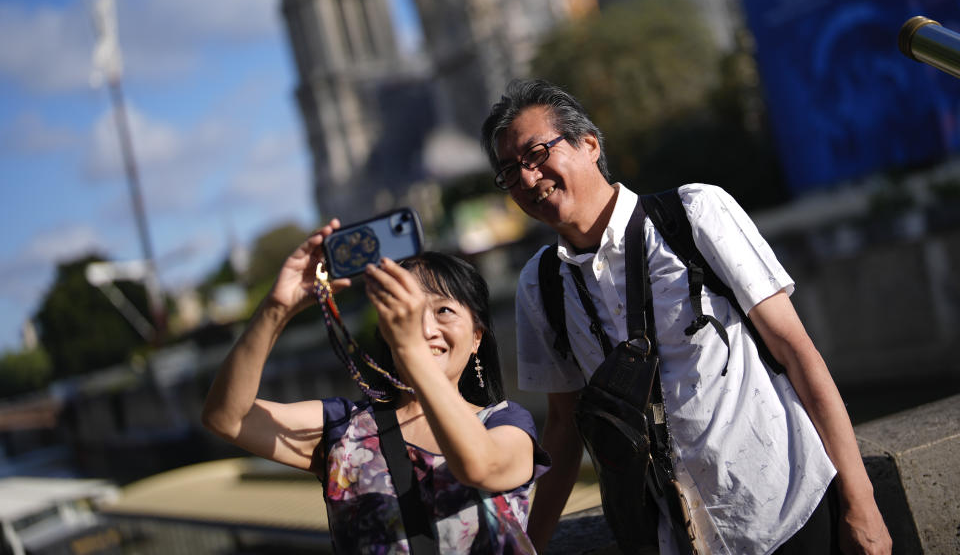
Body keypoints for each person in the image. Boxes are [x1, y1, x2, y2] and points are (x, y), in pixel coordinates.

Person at [480, 79, 892, 555]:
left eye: (537, 154)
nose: (529, 179)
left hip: (789, 511)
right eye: (510, 171)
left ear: (589, 145)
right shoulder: (541, 284)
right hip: (681, 539)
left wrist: (861, 501)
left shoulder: (694, 213)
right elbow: (563, 426)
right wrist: (526, 545)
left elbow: (796, 352)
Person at [202, 221, 549, 554]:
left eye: (443, 310)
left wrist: (411, 350)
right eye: (409, 311)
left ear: (477, 338)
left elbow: (480, 466)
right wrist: (276, 309)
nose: (426, 328)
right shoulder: (344, 429)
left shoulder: (507, 424)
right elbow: (226, 418)